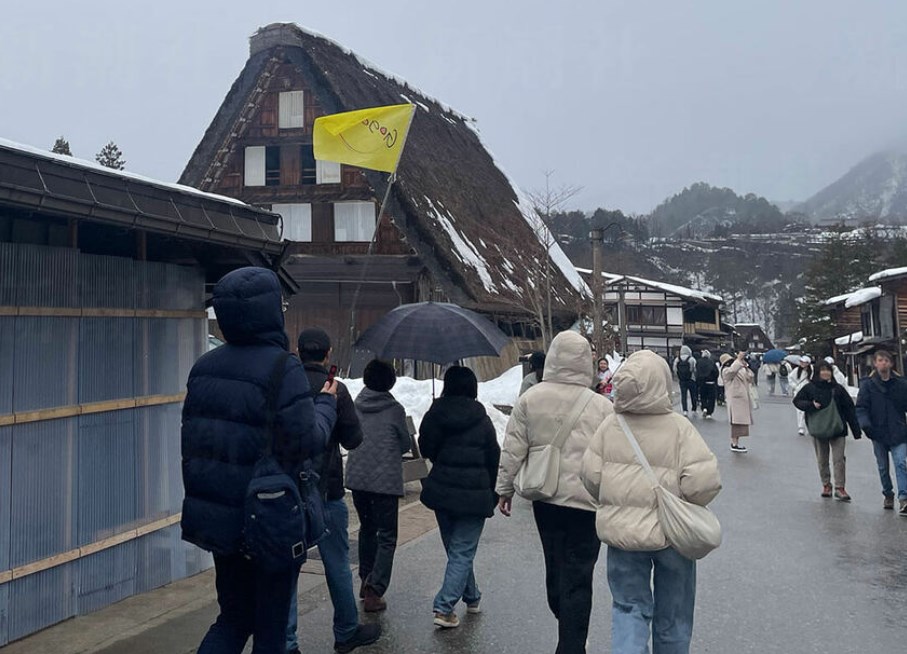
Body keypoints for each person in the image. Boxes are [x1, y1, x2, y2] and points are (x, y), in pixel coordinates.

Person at [181, 267, 337, 653]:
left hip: (220, 517)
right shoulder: (283, 368)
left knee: (233, 618)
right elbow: (306, 441)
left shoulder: (204, 368)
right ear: (270, 312)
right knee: (270, 628)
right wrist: (326, 405)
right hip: (269, 517)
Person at [581, 350, 721, 654]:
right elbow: (704, 484)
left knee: (628, 609)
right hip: (672, 537)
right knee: (674, 615)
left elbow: (590, 477)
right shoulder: (680, 428)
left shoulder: (609, 427)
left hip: (623, 538)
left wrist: (617, 500)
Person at [497, 330, 614, 654]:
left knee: (555, 569)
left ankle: (570, 638)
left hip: (547, 499)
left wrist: (504, 488)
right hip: (589, 502)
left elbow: (512, 448)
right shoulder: (602, 407)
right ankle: (573, 639)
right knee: (579, 575)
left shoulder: (530, 399)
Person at [286, 328, 381, 654]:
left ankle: (287, 642)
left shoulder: (287, 385)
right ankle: (345, 631)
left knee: (289, 569)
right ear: (327, 355)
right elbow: (353, 440)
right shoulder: (335, 390)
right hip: (326, 490)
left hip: (290, 492)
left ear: (298, 353)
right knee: (337, 564)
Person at [418, 366, 500, 629]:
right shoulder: (482, 419)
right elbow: (493, 456)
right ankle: (444, 607)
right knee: (462, 551)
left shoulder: (436, 413)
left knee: (457, 550)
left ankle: (472, 597)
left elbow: (426, 447)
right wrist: (492, 487)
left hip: (443, 492)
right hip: (475, 495)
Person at [345, 359, 411, 611]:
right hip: (384, 483)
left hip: (358, 480)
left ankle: (365, 579)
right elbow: (405, 444)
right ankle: (375, 588)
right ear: (390, 382)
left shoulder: (356, 404)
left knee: (367, 529)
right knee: (387, 536)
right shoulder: (394, 410)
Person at [793, 362, 861, 501]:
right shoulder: (810, 388)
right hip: (818, 428)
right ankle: (826, 485)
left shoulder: (838, 389)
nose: (825, 373)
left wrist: (856, 430)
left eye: (828, 370)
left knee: (839, 459)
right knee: (822, 459)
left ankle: (840, 488)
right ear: (817, 372)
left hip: (838, 428)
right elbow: (797, 401)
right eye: (822, 370)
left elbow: (849, 408)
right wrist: (811, 405)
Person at [855, 350, 907, 513]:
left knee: (900, 463)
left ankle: (904, 498)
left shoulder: (900, 384)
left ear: (891, 363)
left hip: (898, 431)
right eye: (880, 360)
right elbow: (861, 407)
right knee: (883, 467)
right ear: (875, 363)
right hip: (877, 432)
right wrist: (866, 425)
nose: (883, 363)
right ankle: (888, 493)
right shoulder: (868, 385)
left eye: (886, 360)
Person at [721, 352, 754, 453]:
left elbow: (751, 378)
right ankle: (734, 443)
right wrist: (738, 361)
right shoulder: (726, 371)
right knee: (736, 422)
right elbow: (731, 371)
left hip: (742, 399)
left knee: (740, 423)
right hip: (735, 400)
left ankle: (736, 442)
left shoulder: (739, 369)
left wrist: (746, 367)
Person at [673, 345, 698, 417]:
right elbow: (695, 369)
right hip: (691, 379)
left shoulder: (677, 359)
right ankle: (694, 409)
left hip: (682, 380)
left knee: (683, 395)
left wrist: (678, 376)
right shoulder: (692, 359)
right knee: (693, 394)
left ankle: (685, 410)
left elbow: (675, 369)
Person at [792, 356, 814, 435]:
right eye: (801, 362)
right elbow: (790, 378)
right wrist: (795, 386)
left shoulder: (812, 371)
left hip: (809, 393)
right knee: (800, 411)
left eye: (804, 362)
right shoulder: (796, 370)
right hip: (799, 392)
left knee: (809, 410)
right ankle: (801, 427)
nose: (802, 363)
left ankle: (810, 426)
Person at [695, 350, 719, 419]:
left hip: (702, 382)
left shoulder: (699, 362)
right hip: (711, 382)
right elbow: (716, 372)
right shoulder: (711, 362)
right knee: (711, 398)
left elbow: (697, 372)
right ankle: (709, 412)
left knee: (703, 396)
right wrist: (714, 379)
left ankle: (704, 407)